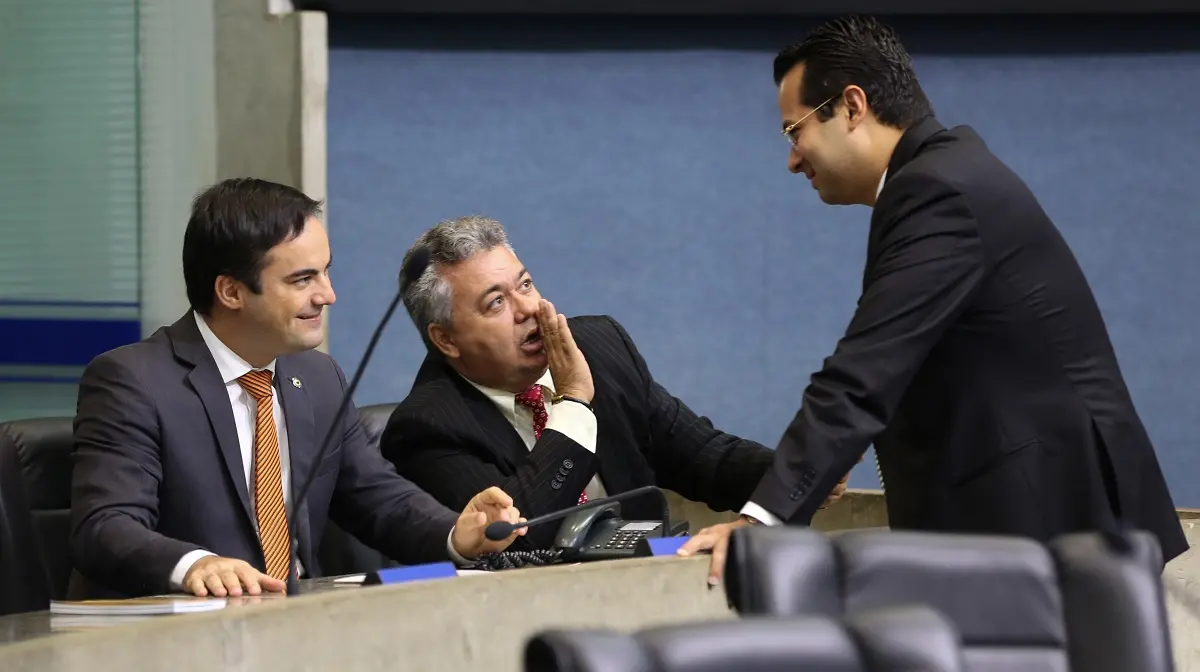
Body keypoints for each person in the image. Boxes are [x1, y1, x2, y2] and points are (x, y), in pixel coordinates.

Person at [679, 15, 1187, 582]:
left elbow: (863, 375)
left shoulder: (936, 191)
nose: (793, 159)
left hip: (1060, 532)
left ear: (852, 106)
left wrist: (763, 521)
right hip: (1045, 530)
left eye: (794, 131)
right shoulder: (944, 176)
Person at [70, 179, 525, 599]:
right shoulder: (134, 381)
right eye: (302, 279)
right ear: (231, 291)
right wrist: (195, 565)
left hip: (304, 624)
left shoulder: (319, 378)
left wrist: (457, 532)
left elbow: (378, 498)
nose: (327, 295)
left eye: (325, 272)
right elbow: (105, 526)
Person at [378, 216, 775, 550]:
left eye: (526, 285)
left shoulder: (599, 348)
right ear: (446, 339)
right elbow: (518, 539)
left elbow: (703, 456)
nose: (528, 309)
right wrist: (573, 404)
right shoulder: (426, 427)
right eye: (496, 302)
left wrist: (798, 475)